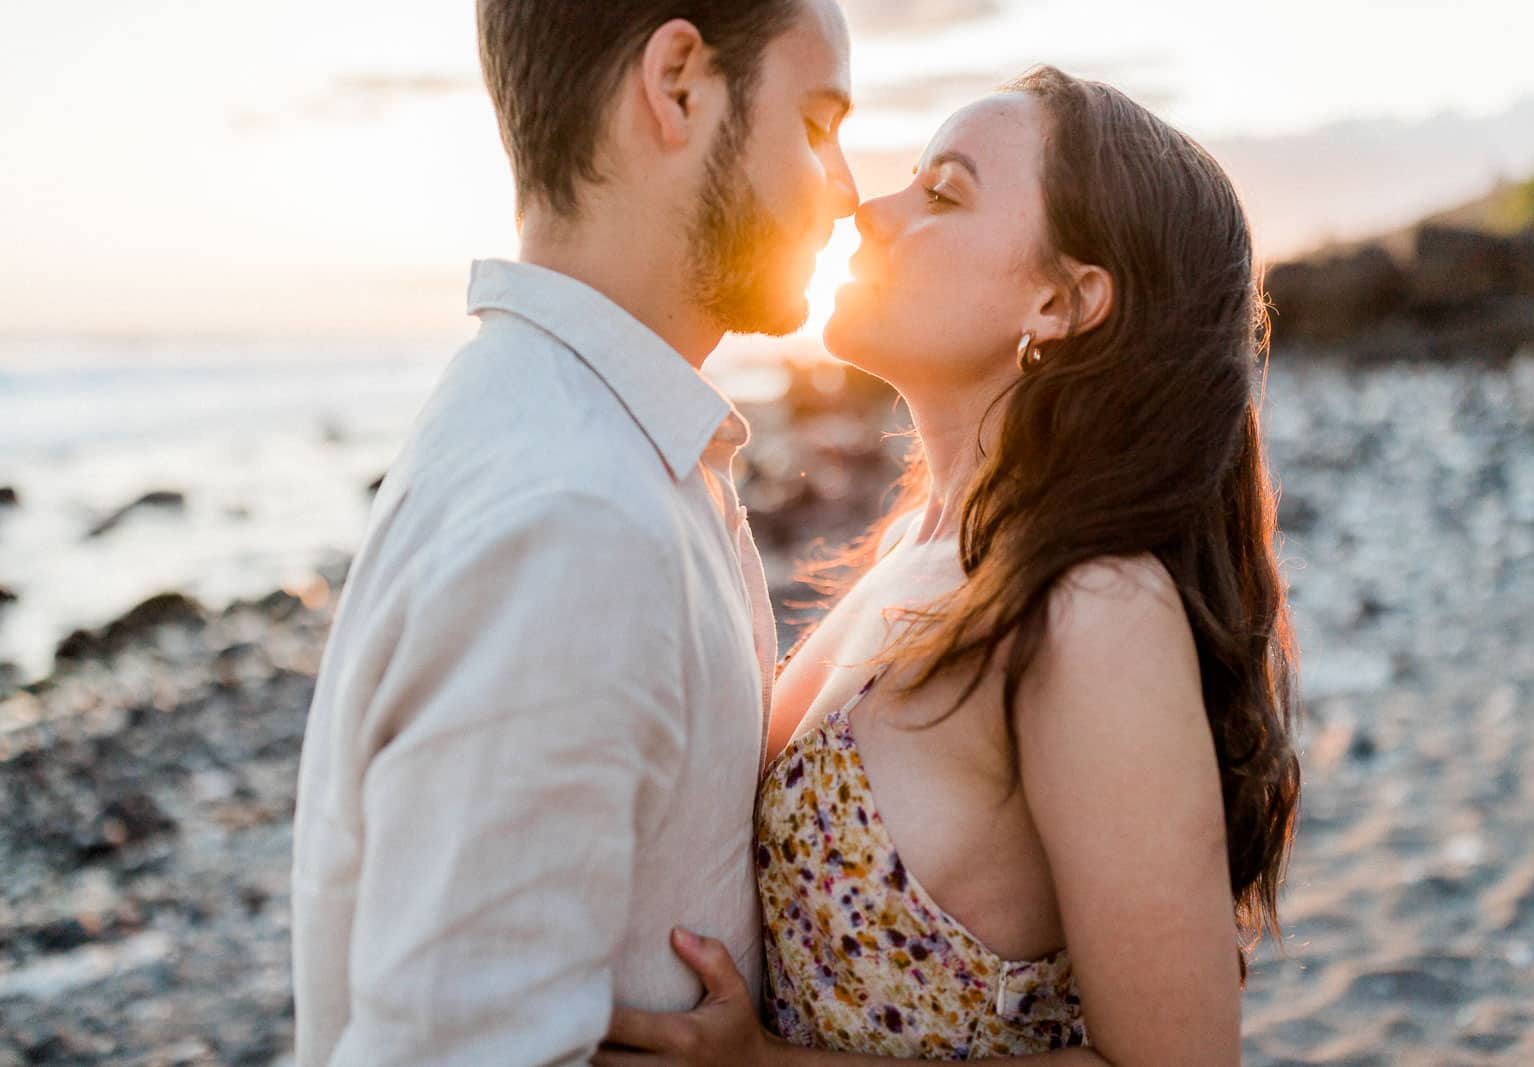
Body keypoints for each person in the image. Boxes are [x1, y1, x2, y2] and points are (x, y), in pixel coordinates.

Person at [601, 67, 1301, 1065]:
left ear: (1062, 299)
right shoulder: (916, 546)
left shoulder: (1088, 611)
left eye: (942, 193)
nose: (865, 209)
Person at [290, 1, 858, 1062]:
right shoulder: (574, 519)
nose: (844, 188)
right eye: (818, 123)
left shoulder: (590, 438)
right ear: (678, 83)